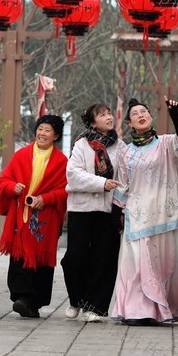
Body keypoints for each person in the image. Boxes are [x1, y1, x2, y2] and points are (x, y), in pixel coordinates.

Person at [110, 97, 178, 326]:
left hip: (164, 215)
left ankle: (159, 309)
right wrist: (116, 215)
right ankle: (135, 310)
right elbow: (122, 184)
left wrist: (176, 113)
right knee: (136, 265)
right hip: (137, 215)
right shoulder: (126, 152)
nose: (141, 115)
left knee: (163, 265)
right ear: (130, 124)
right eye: (135, 114)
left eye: (144, 111)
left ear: (150, 117)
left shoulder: (165, 143)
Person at [0, 115, 69, 318]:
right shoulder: (22, 155)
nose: (42, 133)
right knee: (20, 255)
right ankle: (22, 298)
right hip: (22, 216)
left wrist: (45, 199)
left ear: (56, 136)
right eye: (40, 129)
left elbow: (65, 190)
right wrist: (13, 187)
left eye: (48, 130)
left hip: (46, 219)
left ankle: (34, 302)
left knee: (41, 259)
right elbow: (5, 179)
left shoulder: (62, 161)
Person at [62, 103, 125, 323]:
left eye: (109, 114)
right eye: (102, 115)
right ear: (92, 122)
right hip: (82, 209)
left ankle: (96, 307)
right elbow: (73, 174)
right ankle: (76, 299)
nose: (108, 117)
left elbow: (126, 177)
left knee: (104, 259)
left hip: (109, 211)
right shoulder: (81, 145)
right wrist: (102, 183)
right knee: (74, 259)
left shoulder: (120, 146)